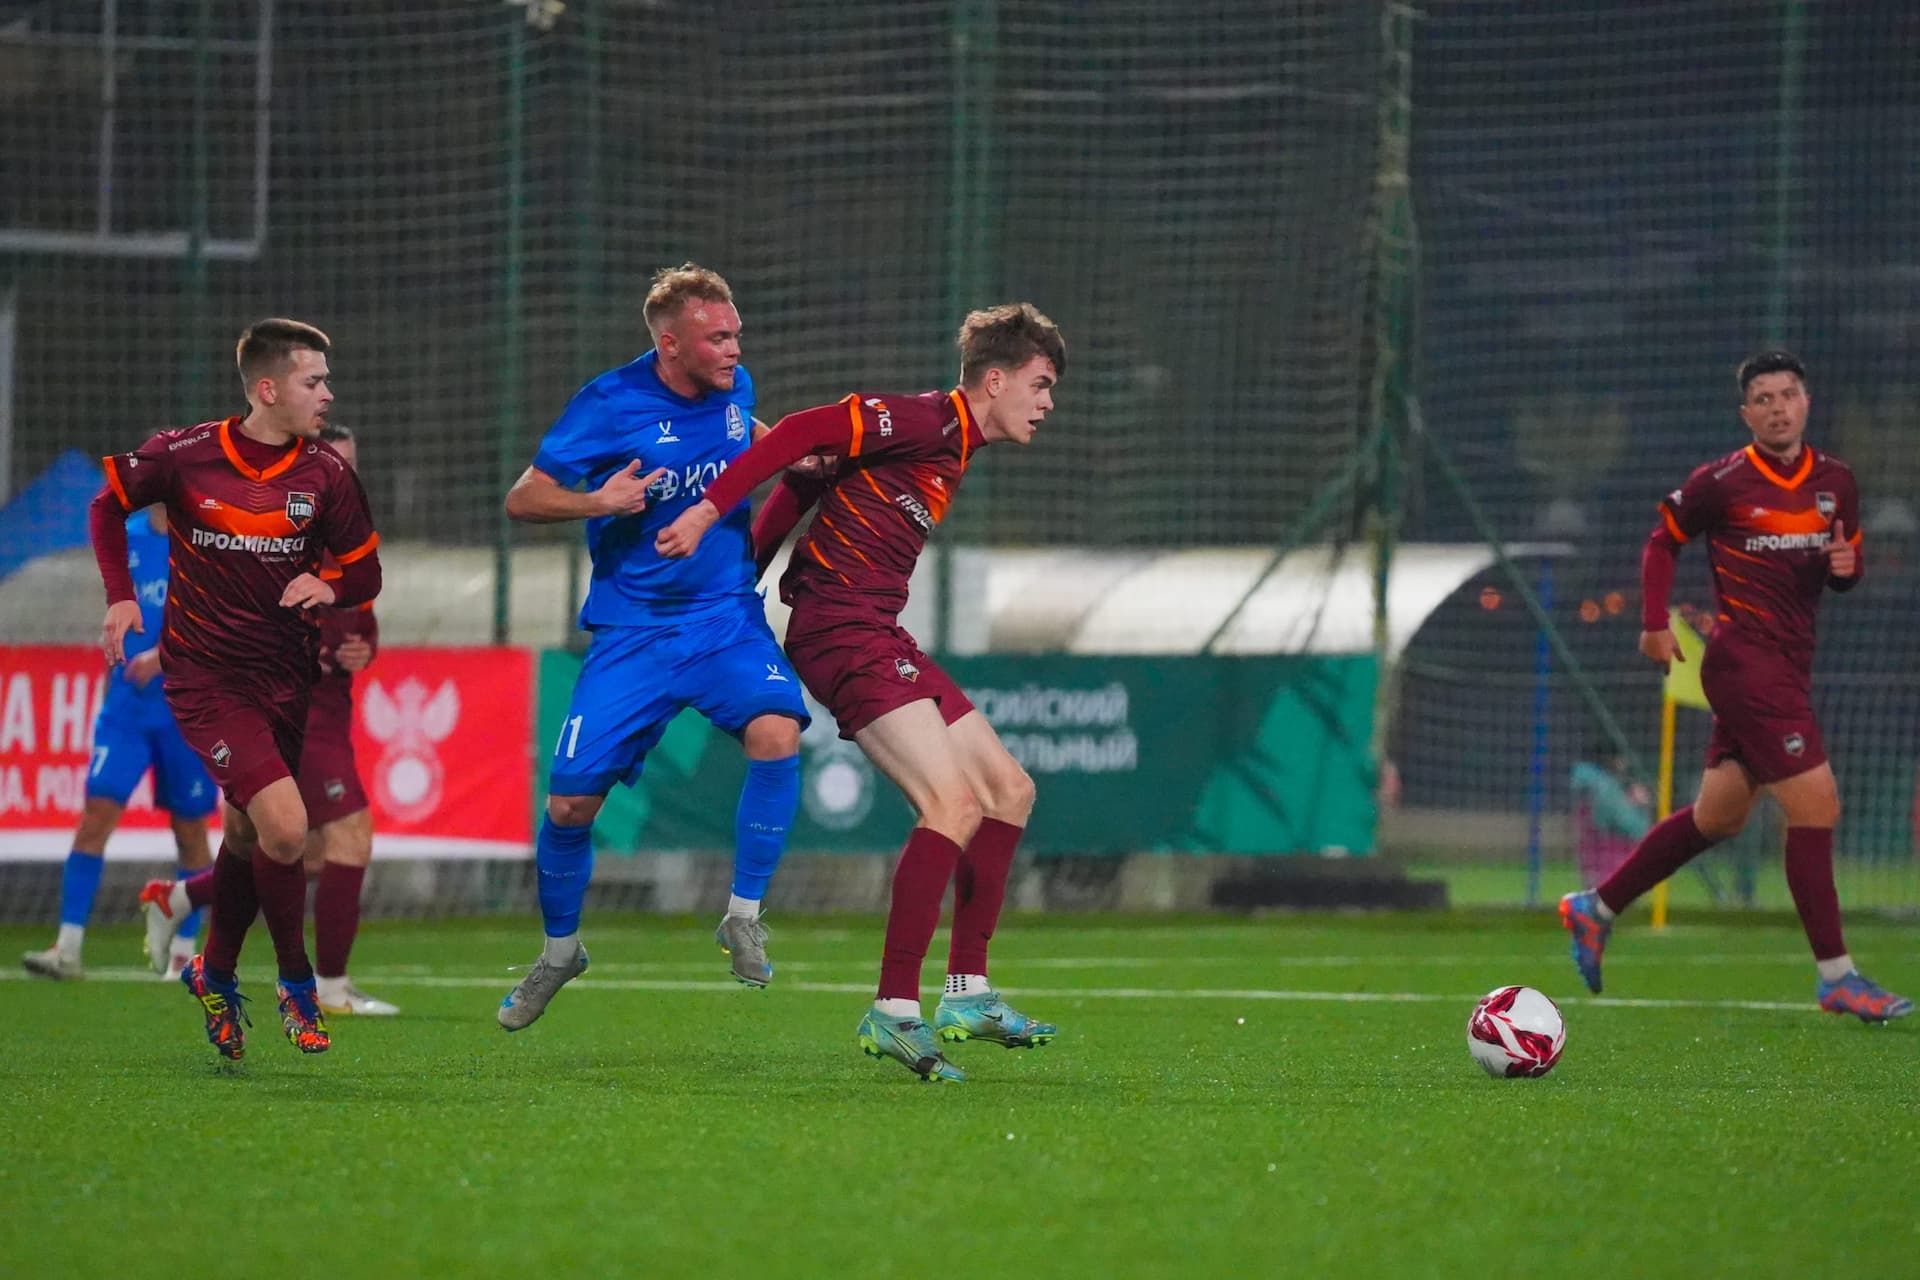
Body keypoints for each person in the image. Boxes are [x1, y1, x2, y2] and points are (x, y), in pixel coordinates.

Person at [656, 302, 1065, 1082]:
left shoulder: (950, 448)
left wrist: (748, 569)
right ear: (996, 379)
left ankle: (968, 992)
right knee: (952, 806)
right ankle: (894, 1009)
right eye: (1040, 385)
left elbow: (812, 477)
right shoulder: (920, 420)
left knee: (1009, 790)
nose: (1047, 403)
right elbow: (804, 433)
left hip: (880, 629)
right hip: (841, 631)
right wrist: (713, 513)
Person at [495, 263, 807, 1032]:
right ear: (671, 344)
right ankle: (560, 951)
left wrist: (798, 458)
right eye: (718, 337)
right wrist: (597, 500)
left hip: (723, 619)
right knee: (570, 804)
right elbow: (522, 496)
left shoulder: (736, 388)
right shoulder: (609, 403)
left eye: (736, 333)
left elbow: (750, 440)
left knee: (778, 730)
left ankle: (742, 913)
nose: (735, 348)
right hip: (632, 632)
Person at [1560, 349, 1911, 1023]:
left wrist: (1847, 565)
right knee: (1818, 805)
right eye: (1764, 398)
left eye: (1788, 394)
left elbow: (1844, 567)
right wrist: (1654, 623)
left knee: (1717, 818)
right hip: (1743, 663)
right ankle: (1838, 976)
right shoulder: (1721, 481)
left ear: (1807, 402)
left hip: (1790, 662)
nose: (1778, 407)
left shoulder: (1837, 480)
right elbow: (1661, 543)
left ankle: (1595, 906)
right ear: (1746, 412)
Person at [91, 318, 383, 1060]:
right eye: (313, 381)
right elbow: (106, 506)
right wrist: (120, 596)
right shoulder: (184, 455)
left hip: (287, 681)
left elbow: (367, 571)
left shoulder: (325, 472)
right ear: (267, 388)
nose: (327, 393)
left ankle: (213, 972)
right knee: (288, 826)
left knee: (252, 837)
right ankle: (297, 984)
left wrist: (328, 579)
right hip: (208, 677)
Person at [136, 425, 398, 1016]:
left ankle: (179, 901)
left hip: (330, 703)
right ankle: (327, 987)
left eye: (351, 464)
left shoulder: (347, 535)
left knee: (285, 846)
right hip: (288, 700)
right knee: (347, 835)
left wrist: (360, 652)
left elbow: (359, 621)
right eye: (335, 461)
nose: (342, 474)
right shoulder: (281, 528)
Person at [21, 504, 218, 981]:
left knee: (190, 830)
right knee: (95, 818)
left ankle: (184, 955)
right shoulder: (124, 537)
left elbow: (219, 621)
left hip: (186, 709)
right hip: (126, 710)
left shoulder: (208, 540)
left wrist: (163, 655)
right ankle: (66, 949)